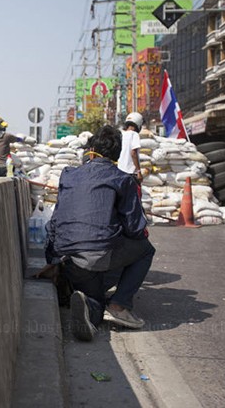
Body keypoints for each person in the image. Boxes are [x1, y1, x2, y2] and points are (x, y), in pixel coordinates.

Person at [45, 125, 155, 342]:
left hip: (66, 256)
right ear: (117, 154)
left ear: (91, 149)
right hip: (97, 254)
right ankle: (119, 304)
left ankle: (89, 306)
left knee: (94, 297)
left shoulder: (68, 174)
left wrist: (52, 259)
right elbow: (135, 228)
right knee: (145, 250)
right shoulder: (123, 179)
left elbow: (56, 219)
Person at [118, 112, 143, 184]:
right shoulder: (134, 134)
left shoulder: (122, 134)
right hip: (130, 172)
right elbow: (133, 153)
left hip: (120, 170)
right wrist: (139, 172)